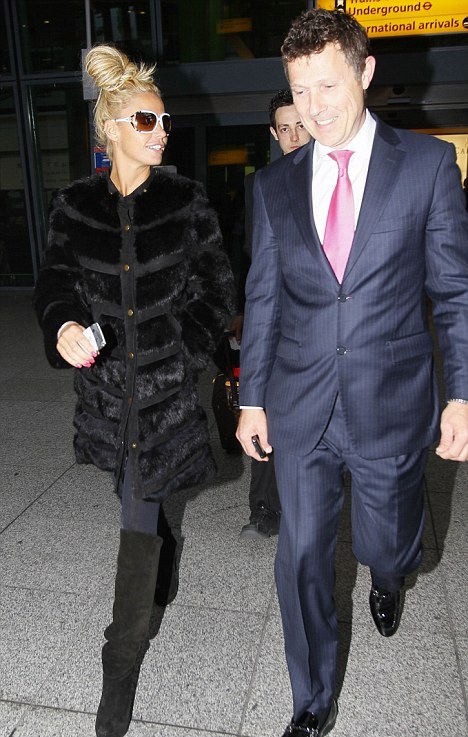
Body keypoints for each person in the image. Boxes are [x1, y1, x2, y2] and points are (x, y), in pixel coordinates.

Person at [236, 9, 468, 737]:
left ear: (365, 72)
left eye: (328, 86)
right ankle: (311, 699)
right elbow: (264, 298)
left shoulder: (427, 167)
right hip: (300, 404)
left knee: (385, 542)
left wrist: (462, 393)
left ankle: (390, 574)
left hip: (390, 402)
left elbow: (454, 293)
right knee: (301, 555)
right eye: (300, 91)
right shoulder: (274, 185)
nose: (314, 108)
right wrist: (251, 399)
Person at [34, 44, 235, 737]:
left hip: (165, 399)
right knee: (137, 495)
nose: (161, 132)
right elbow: (54, 282)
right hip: (105, 403)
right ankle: (164, 556)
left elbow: (217, 291)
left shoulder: (186, 203)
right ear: (111, 129)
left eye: (165, 121)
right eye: (147, 120)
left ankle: (118, 667)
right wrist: (63, 324)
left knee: (136, 517)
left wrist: (182, 353)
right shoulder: (73, 207)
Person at [239, 89, 311, 540]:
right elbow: (252, 256)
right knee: (263, 409)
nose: (294, 136)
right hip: (276, 319)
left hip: (320, 324)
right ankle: (264, 509)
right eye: (285, 128)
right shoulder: (261, 184)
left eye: (300, 125)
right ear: (274, 133)